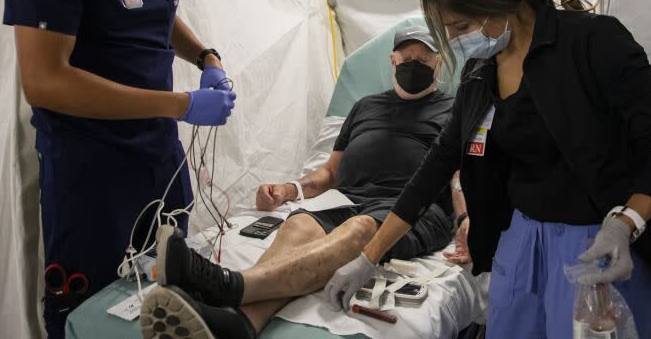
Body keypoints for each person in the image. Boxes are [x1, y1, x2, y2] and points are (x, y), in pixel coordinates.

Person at [323, 0, 651, 339]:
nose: (456, 41)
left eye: (463, 26)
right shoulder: (480, 74)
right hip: (521, 241)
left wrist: (626, 222)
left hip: (599, 243)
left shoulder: (594, 43)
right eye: (449, 30)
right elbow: (436, 165)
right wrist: (370, 256)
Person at [3, 0, 236, 338]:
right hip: (91, 172)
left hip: (157, 159)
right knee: (89, 313)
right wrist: (179, 105)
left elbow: (157, 11)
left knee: (168, 299)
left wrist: (206, 57)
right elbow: (45, 82)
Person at [138, 28, 468, 339]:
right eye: (407, 58)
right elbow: (329, 173)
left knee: (359, 230)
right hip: (346, 199)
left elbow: (460, 175)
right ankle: (241, 323)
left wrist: (466, 219)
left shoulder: (453, 110)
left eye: (423, 60)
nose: (414, 65)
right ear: (392, 61)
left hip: (411, 209)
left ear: (439, 62)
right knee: (298, 226)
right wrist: (289, 190)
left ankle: (226, 284)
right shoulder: (365, 107)